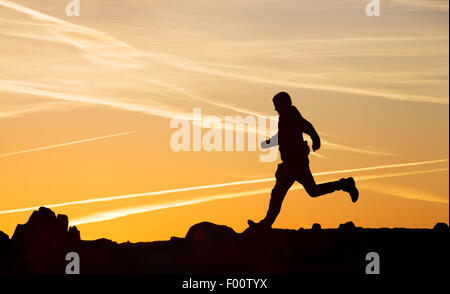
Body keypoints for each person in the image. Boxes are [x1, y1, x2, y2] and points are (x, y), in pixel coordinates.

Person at [248, 92, 359, 229]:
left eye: (277, 105)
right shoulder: (284, 118)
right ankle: (266, 224)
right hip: (290, 164)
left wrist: (316, 138)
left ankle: (345, 184)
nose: (275, 109)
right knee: (288, 192)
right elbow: (283, 136)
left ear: (284, 103)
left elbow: (306, 126)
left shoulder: (291, 115)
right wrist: (269, 143)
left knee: (305, 191)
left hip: (296, 163)